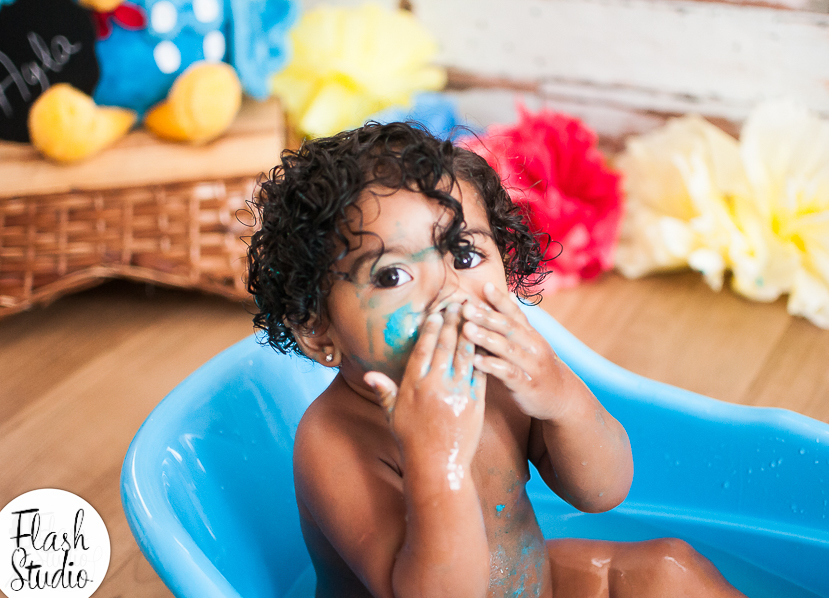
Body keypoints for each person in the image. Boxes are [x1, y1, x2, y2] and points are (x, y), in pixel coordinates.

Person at [246, 122, 746, 598]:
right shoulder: (333, 440)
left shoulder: (503, 378)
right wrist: (436, 457)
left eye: (464, 256)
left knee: (668, 571)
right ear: (317, 329)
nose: (447, 290)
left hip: (533, 585)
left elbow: (603, 493)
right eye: (392, 276)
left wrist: (560, 397)